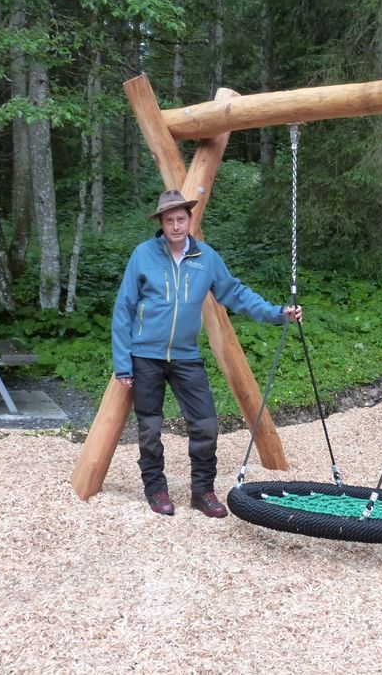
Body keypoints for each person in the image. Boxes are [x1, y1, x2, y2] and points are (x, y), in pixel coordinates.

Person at [111, 189, 302, 518]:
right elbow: (123, 309)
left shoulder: (206, 258)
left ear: (190, 219)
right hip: (146, 356)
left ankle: (202, 491)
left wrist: (277, 313)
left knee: (205, 424)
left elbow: (236, 293)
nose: (176, 225)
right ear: (161, 222)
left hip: (186, 355)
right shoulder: (143, 255)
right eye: (169, 220)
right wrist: (123, 363)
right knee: (150, 427)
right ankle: (156, 489)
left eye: (181, 219)